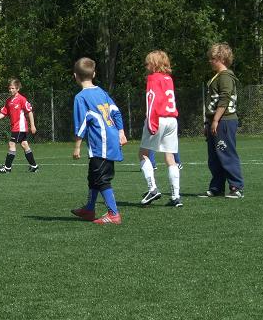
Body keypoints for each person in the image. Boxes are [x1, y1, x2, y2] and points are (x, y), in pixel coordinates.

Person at [70, 57, 127, 224]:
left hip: (101, 143)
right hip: (110, 138)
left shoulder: (80, 97)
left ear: (75, 76)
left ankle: (113, 214)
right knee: (93, 176)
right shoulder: (101, 92)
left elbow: (81, 123)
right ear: (94, 74)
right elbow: (116, 111)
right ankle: (89, 209)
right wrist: (121, 132)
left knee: (101, 178)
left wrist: (77, 146)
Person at [137, 50, 182, 207]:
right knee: (170, 157)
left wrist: (151, 123)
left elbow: (152, 100)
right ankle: (176, 196)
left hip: (158, 118)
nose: (146, 66)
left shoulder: (152, 78)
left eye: (147, 63)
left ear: (154, 64)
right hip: (172, 120)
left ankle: (152, 189)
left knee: (143, 154)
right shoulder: (168, 78)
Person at [204, 42, 244, 198]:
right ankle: (217, 187)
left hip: (225, 121)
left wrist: (216, 120)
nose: (210, 61)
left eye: (213, 58)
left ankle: (236, 187)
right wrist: (208, 122)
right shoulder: (217, 76)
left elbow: (225, 98)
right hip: (215, 121)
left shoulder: (226, 76)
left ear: (221, 58)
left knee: (226, 154)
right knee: (214, 157)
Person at [0, 78, 39, 173]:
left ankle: (7, 168)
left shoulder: (21, 99)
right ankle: (34, 166)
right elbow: (4, 112)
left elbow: (29, 112)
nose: (11, 90)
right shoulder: (8, 100)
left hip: (20, 127)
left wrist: (33, 125)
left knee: (12, 144)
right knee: (24, 145)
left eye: (13, 88)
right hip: (15, 127)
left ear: (18, 89)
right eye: (9, 88)